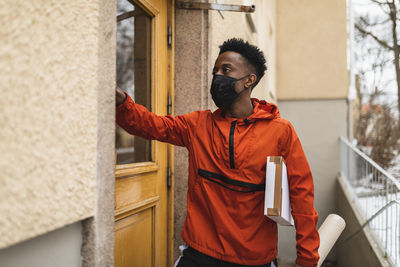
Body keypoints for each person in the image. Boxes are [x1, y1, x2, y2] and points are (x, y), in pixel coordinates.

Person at [116, 38, 319, 267]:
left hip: (254, 259)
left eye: (226, 70)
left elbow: (302, 196)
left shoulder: (281, 132)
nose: (217, 76)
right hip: (200, 253)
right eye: (215, 70)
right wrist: (121, 102)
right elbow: (151, 125)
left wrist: (307, 259)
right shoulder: (197, 125)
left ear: (249, 81)